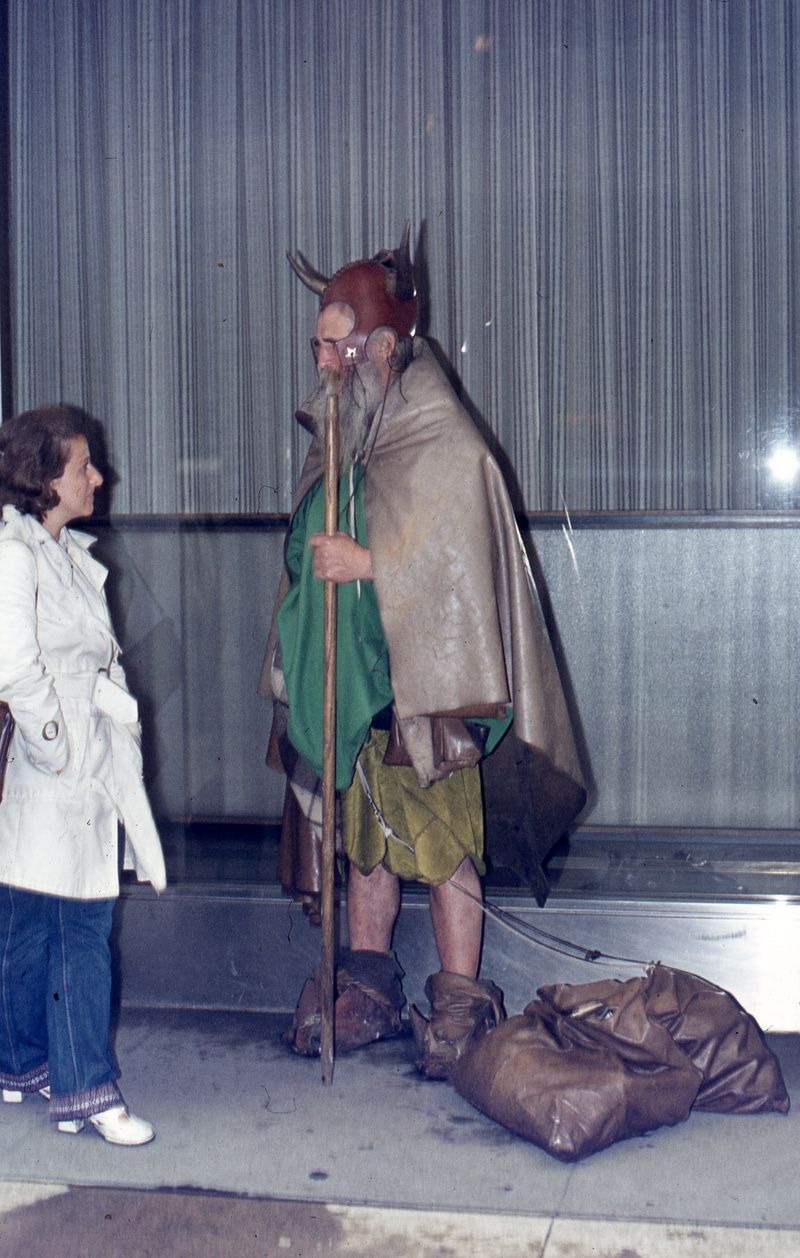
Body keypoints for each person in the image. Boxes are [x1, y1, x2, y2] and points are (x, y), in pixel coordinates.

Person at [261, 227, 585, 1078]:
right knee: (366, 841)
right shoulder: (343, 426)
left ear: (379, 344)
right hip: (358, 684)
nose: (322, 362)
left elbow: (461, 552)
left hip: (430, 686)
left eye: (334, 346)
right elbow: (306, 544)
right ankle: (368, 990)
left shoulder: (444, 433)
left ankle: (457, 1007)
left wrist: (370, 564)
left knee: (443, 847)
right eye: (317, 347)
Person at [0, 405, 166, 1145]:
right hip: (56, 766)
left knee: (34, 923)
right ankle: (86, 1090)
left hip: (78, 759)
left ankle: (21, 1063)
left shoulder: (62, 551)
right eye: (84, 467)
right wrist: (56, 748)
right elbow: (12, 667)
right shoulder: (14, 555)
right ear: (46, 480)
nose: (99, 476)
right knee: (79, 925)